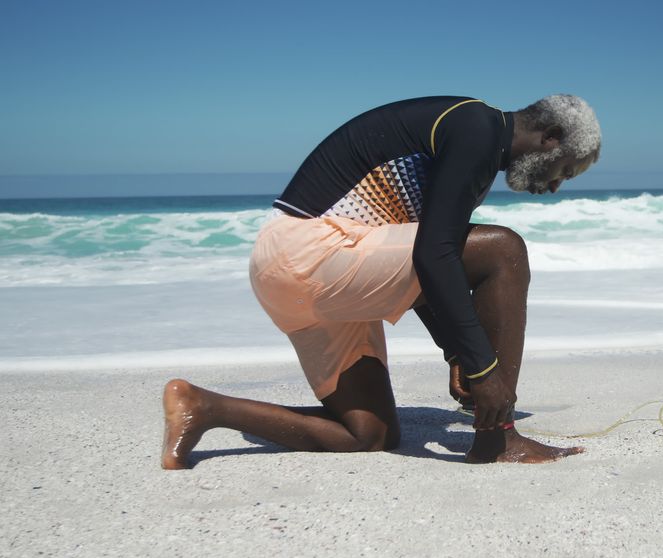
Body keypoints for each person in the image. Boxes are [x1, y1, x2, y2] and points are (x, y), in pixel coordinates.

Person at [161, 95, 601, 468]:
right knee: (504, 250)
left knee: (369, 434)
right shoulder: (476, 127)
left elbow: (419, 257)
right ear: (550, 139)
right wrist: (482, 371)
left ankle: (203, 407)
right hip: (314, 252)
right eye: (566, 169)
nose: (557, 184)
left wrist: (457, 352)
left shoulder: (470, 139)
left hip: (292, 273)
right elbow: (433, 255)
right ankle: (498, 438)